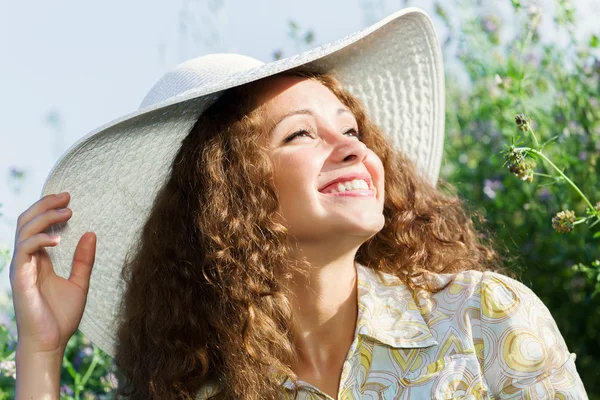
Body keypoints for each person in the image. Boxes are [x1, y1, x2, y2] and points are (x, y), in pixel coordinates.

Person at [9, 7, 588, 400]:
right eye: (300, 134)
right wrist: (41, 352)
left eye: (353, 130)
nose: (350, 150)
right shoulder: (212, 392)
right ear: (229, 199)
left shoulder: (480, 317)